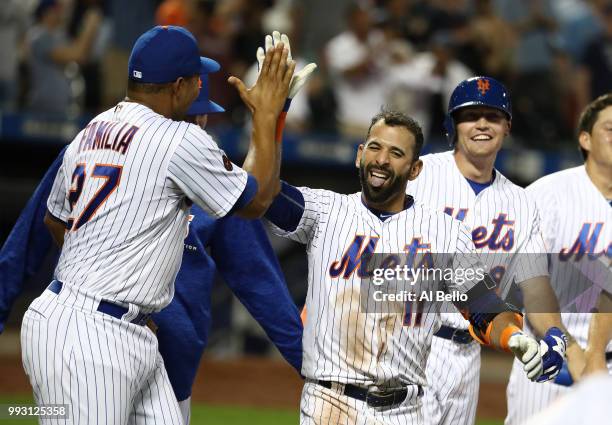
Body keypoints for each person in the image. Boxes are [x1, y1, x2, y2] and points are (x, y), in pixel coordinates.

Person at [19, 25, 294, 424]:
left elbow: (54, 220)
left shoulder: (90, 132)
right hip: (85, 338)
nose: (202, 85)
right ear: (179, 86)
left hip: (113, 327)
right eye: (197, 78)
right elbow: (258, 200)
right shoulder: (180, 139)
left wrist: (114, 286)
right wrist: (267, 116)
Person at [264, 109, 546, 424]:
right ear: (360, 155)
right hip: (329, 405)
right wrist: (269, 121)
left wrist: (512, 335)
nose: (382, 159)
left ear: (414, 170)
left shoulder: (444, 232)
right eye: (375, 147)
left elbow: (483, 306)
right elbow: (263, 195)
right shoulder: (325, 210)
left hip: (402, 411)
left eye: (396, 153)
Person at [406, 76, 577, 425]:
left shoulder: (520, 202)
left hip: (468, 355)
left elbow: (536, 286)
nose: (482, 124)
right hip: (409, 343)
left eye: (492, 116)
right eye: (471, 115)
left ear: (507, 126)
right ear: (454, 125)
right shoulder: (419, 175)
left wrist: (556, 334)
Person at [505, 93, 612, 425]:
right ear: (585, 139)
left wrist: (594, 354)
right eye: (610, 128)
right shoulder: (548, 195)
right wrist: (573, 350)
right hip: (548, 362)